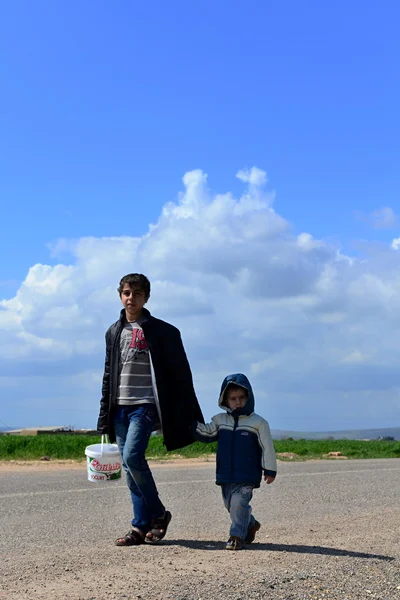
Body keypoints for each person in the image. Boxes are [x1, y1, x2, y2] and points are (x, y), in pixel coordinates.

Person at [97, 273, 204, 546]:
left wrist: (188, 411)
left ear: (146, 297)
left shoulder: (162, 331)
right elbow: (108, 375)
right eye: (126, 293)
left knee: (133, 458)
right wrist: (103, 417)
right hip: (119, 407)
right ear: (120, 295)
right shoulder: (114, 331)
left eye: (136, 293)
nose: (130, 298)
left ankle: (158, 515)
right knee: (130, 469)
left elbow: (181, 375)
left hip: (145, 405)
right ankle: (140, 526)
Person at [192, 373, 277, 550]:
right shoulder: (220, 420)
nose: (237, 402)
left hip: (247, 475)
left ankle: (237, 536)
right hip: (226, 474)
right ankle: (251, 524)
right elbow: (206, 433)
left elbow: (267, 448)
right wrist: (189, 425)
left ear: (249, 398)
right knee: (232, 507)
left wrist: (269, 469)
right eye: (233, 398)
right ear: (225, 400)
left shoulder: (258, 423)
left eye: (241, 398)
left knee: (239, 503)